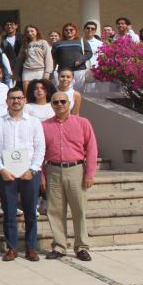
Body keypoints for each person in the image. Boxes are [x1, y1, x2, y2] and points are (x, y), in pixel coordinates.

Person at [0, 88, 45, 262]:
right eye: (12, 98)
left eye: (19, 98)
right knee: (9, 212)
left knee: (30, 212)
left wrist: (33, 169)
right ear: (7, 101)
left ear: (25, 100)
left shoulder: (34, 122)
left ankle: (31, 248)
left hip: (29, 173)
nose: (16, 101)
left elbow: (40, 147)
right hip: (7, 174)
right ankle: (11, 248)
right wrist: (1, 169)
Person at [43, 91, 98, 261]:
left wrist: (89, 173)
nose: (59, 104)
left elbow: (92, 149)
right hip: (53, 170)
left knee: (79, 210)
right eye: (55, 102)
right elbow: (40, 152)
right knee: (55, 210)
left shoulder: (82, 123)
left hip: (76, 170)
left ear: (69, 104)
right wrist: (43, 177)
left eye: (63, 101)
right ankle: (59, 246)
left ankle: (81, 246)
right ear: (51, 105)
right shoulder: (44, 125)